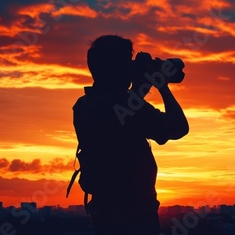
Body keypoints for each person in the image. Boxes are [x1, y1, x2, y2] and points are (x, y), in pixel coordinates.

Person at [72, 34, 189, 235]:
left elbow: (119, 118)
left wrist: (140, 87)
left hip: (105, 214)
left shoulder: (84, 106)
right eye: (128, 63)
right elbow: (178, 127)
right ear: (118, 69)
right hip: (134, 217)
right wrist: (162, 86)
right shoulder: (122, 105)